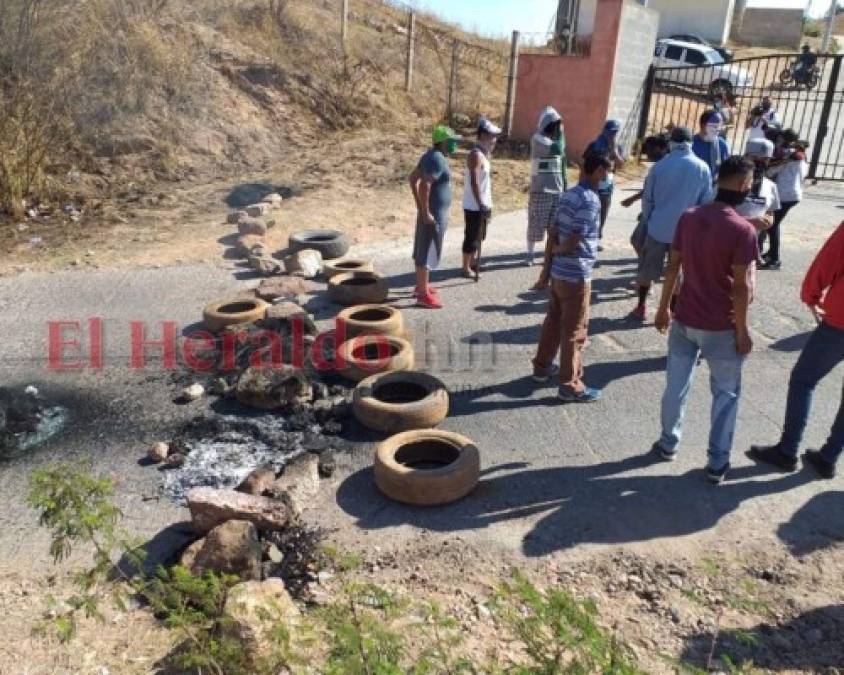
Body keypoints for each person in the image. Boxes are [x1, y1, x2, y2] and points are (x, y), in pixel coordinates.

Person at [651, 156, 758, 484]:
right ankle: (717, 462)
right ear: (744, 185)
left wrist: (662, 307)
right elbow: (740, 287)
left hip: (685, 319)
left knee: (676, 386)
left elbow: (673, 266)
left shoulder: (690, 217)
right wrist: (742, 330)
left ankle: (668, 443)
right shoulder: (743, 230)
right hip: (721, 326)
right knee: (725, 394)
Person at [748, 222, 844, 479]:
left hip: (840, 322)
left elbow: (828, 262)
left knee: (803, 381)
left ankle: (787, 450)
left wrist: (811, 296)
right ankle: (829, 457)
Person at [531, 152, 612, 403]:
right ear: (597, 170)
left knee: (553, 321)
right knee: (575, 331)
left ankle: (542, 367)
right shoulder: (590, 199)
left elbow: (554, 231)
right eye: (606, 171)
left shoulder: (569, 194)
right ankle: (570, 384)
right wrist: (560, 250)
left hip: (559, 274)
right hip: (577, 273)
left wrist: (547, 268)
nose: (608, 177)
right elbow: (575, 237)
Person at [632, 127, 713, 321]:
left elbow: (648, 200)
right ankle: (673, 309)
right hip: (686, 232)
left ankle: (642, 306)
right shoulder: (702, 168)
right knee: (677, 272)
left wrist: (650, 219)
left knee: (647, 270)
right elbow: (705, 202)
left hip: (658, 228)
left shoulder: (659, 167)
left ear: (671, 143)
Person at [409, 124, 461, 309]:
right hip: (432, 215)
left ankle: (421, 286)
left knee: (423, 249)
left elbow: (412, 178)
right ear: (443, 142)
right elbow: (424, 184)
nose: (455, 144)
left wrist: (420, 206)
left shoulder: (431, 155)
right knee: (428, 251)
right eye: (452, 141)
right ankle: (422, 295)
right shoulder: (437, 159)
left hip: (430, 213)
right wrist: (426, 212)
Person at [527, 107, 567, 275]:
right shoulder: (538, 139)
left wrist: (565, 184)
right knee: (536, 224)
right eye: (556, 125)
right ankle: (529, 254)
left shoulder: (555, 141)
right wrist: (562, 135)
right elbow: (557, 150)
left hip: (556, 190)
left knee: (554, 226)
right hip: (541, 190)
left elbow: (562, 164)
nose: (558, 128)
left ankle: (548, 254)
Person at [462, 117, 501, 278]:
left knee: (480, 235)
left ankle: (472, 262)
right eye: (492, 136)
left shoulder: (485, 155)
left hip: (483, 203)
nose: (494, 140)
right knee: (471, 236)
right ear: (483, 136)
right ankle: (465, 267)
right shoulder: (475, 155)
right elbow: (474, 182)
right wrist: (481, 204)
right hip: (474, 205)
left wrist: (486, 204)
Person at [761, 133, 808, 270]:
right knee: (775, 224)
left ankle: (774, 259)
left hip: (784, 195)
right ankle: (771, 254)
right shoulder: (801, 156)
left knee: (772, 226)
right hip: (795, 194)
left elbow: (771, 171)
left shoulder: (788, 156)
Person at [585, 119, 625, 250]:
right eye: (610, 132)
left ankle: (597, 238)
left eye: (615, 133)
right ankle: (586, 237)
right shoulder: (595, 145)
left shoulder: (618, 147)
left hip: (607, 185)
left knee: (603, 212)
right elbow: (585, 163)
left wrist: (614, 151)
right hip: (594, 183)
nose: (612, 135)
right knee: (590, 211)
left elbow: (621, 165)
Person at [692, 110, 730, 182]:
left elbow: (725, 168)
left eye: (719, 126)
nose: (718, 129)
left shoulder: (721, 144)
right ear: (703, 125)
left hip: (712, 186)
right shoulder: (691, 143)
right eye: (714, 126)